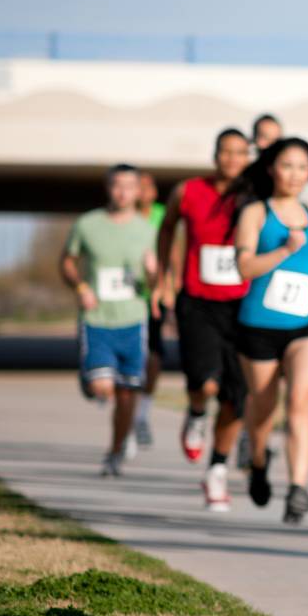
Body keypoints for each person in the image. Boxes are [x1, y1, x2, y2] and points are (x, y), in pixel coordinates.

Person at [229, 137, 308, 525]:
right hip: (260, 325)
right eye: (287, 165)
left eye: (302, 167)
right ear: (271, 169)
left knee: (299, 400)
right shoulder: (255, 213)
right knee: (263, 407)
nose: (295, 174)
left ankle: (298, 488)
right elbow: (243, 268)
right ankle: (260, 463)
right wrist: (283, 251)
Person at [156, 128, 252, 510]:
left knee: (236, 398)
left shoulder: (254, 196)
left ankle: (217, 470)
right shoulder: (188, 191)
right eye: (225, 152)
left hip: (244, 307)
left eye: (240, 153)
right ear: (215, 156)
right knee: (204, 383)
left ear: (248, 157)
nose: (232, 159)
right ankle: (196, 413)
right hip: (197, 300)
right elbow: (166, 229)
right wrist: (164, 275)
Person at [61, 165, 159, 476]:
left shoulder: (148, 229)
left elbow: (160, 281)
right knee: (104, 386)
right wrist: (80, 287)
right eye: (117, 186)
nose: (123, 192)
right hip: (97, 317)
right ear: (108, 188)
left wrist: (154, 272)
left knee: (128, 391)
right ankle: (92, 379)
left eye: (130, 186)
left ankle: (116, 450)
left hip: (133, 319)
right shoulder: (88, 224)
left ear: (138, 191)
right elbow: (67, 261)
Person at [133, 169, 165, 452]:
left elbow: (176, 250)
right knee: (129, 357)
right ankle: (127, 414)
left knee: (153, 355)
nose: (142, 192)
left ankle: (142, 413)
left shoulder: (163, 215)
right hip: (124, 298)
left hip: (155, 295)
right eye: (137, 187)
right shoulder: (121, 218)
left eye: (147, 186)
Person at [251, 113, 308, 220]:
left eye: (276, 138)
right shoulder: (246, 179)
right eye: (264, 137)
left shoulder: (305, 187)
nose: (271, 144)